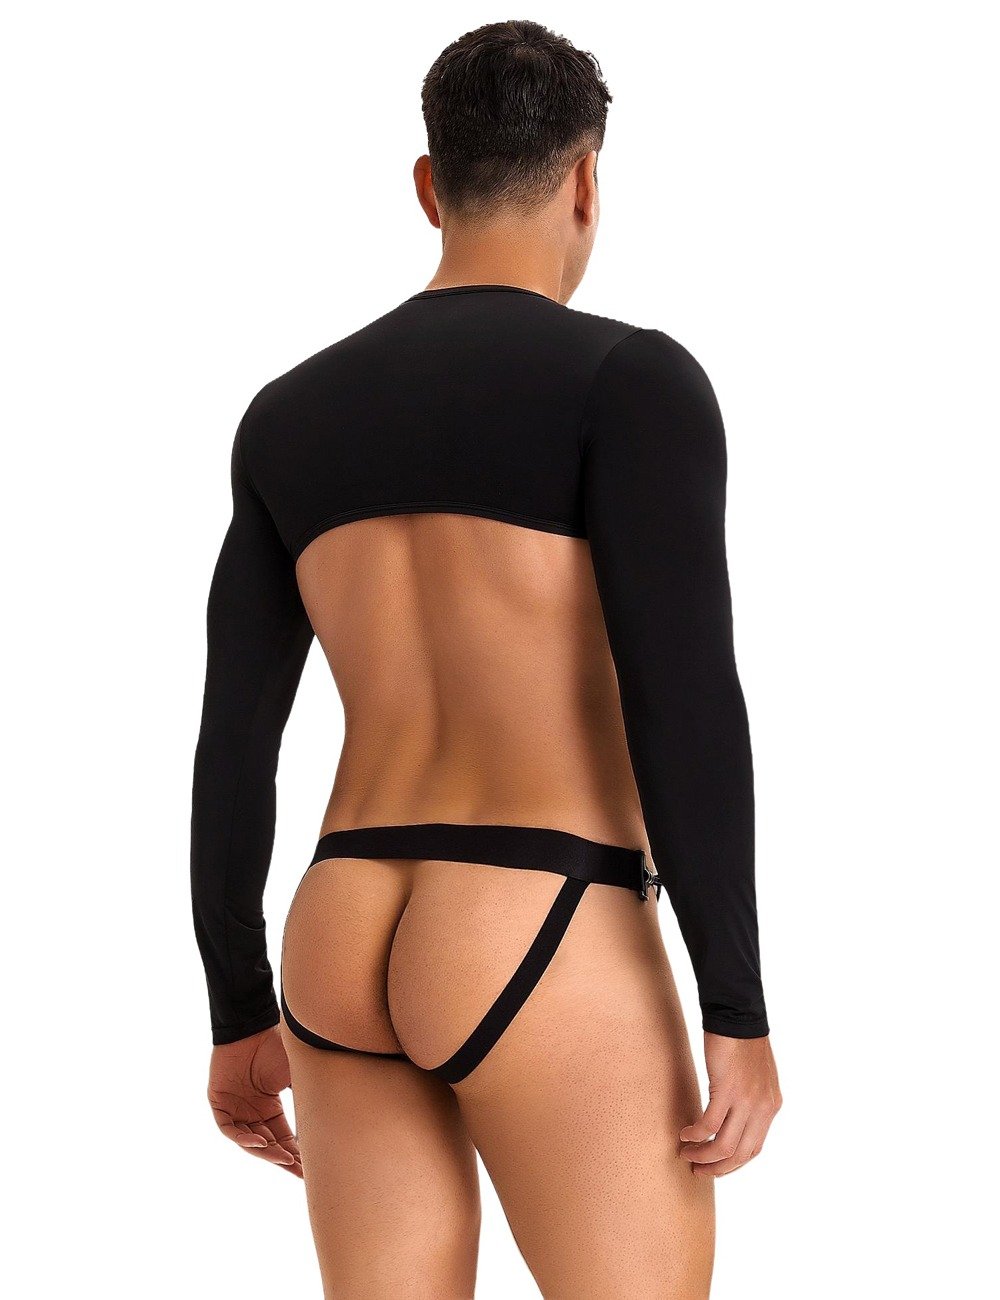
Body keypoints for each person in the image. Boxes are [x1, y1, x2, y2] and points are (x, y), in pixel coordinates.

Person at [191, 19, 781, 1298]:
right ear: (585, 178)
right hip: (538, 914)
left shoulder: (286, 415)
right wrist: (736, 1009)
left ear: (429, 185)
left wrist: (237, 1004)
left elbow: (234, 738)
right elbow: (685, 698)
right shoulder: (629, 380)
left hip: (339, 925)